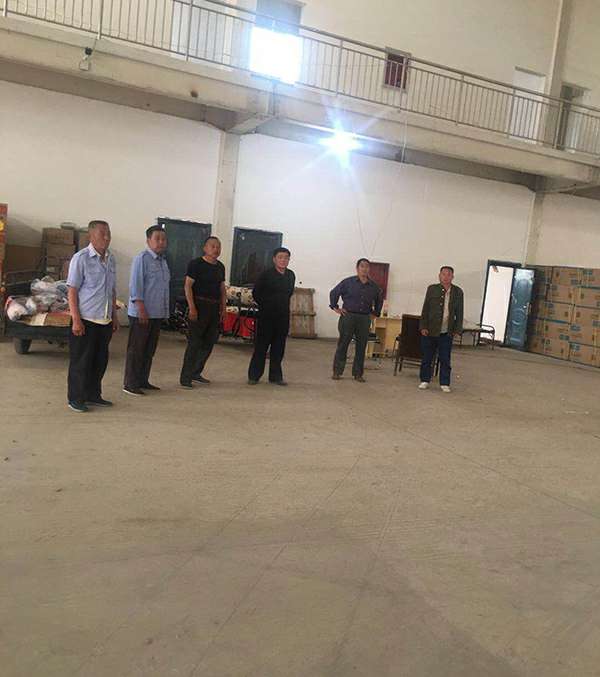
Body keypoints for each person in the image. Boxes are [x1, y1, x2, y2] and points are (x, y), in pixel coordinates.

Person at [66, 220, 118, 412]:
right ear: (91, 236)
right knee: (81, 362)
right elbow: (72, 291)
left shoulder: (111, 259)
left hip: (104, 320)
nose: (107, 237)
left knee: (99, 362)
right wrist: (76, 320)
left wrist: (114, 316)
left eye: (108, 233)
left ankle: (93, 395)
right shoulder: (81, 258)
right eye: (102, 233)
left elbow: (111, 290)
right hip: (86, 320)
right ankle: (76, 398)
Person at [123, 225, 170, 396]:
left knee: (149, 350)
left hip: (156, 314)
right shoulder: (141, 259)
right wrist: (141, 309)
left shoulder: (163, 261)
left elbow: (163, 288)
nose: (161, 242)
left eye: (163, 239)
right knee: (136, 349)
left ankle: (143, 380)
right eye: (157, 238)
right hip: (142, 313)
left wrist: (164, 312)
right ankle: (130, 383)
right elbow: (135, 286)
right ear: (148, 240)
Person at [179, 236, 226, 388]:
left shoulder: (220, 267)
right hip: (199, 306)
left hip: (214, 308)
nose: (216, 249)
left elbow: (222, 288)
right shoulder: (196, 264)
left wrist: (223, 308)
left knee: (209, 342)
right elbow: (188, 286)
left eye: (218, 246)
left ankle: (196, 372)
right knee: (194, 343)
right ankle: (186, 378)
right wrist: (192, 307)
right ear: (205, 248)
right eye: (213, 246)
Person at [248, 247, 296, 386]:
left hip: (283, 316)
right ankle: (254, 376)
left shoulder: (290, 275)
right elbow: (256, 293)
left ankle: (275, 377)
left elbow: (289, 293)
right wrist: (267, 305)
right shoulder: (266, 274)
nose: (283, 260)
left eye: (286, 258)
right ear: (274, 259)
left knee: (279, 347)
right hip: (266, 316)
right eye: (280, 257)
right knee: (261, 346)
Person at [329, 258, 383, 382]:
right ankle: (337, 371)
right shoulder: (348, 282)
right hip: (348, 316)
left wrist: (375, 313)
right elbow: (334, 292)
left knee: (361, 346)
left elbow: (379, 300)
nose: (364, 269)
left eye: (367, 266)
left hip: (364, 318)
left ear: (369, 269)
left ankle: (358, 374)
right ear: (357, 268)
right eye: (362, 266)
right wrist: (335, 307)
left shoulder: (374, 286)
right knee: (343, 344)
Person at [418, 266, 464, 393]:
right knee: (427, 357)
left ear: (452, 277)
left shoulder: (458, 292)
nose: (446, 277)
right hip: (430, 329)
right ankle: (424, 380)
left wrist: (457, 330)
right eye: (443, 274)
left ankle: (444, 383)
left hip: (446, 331)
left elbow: (460, 312)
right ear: (439, 276)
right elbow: (425, 309)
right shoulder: (432, 289)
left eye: (449, 274)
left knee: (445, 358)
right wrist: (423, 326)